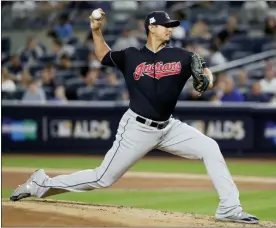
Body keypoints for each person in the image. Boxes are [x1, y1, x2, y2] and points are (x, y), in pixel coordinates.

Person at [10, 9, 258, 224]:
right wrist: (96, 31)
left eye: (171, 26)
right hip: (136, 128)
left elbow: (205, 74)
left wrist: (208, 78)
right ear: (151, 27)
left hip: (168, 127)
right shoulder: (131, 55)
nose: (170, 30)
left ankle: (229, 208)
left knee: (210, 147)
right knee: (102, 178)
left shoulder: (182, 56)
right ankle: (40, 183)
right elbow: (102, 56)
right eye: (166, 26)